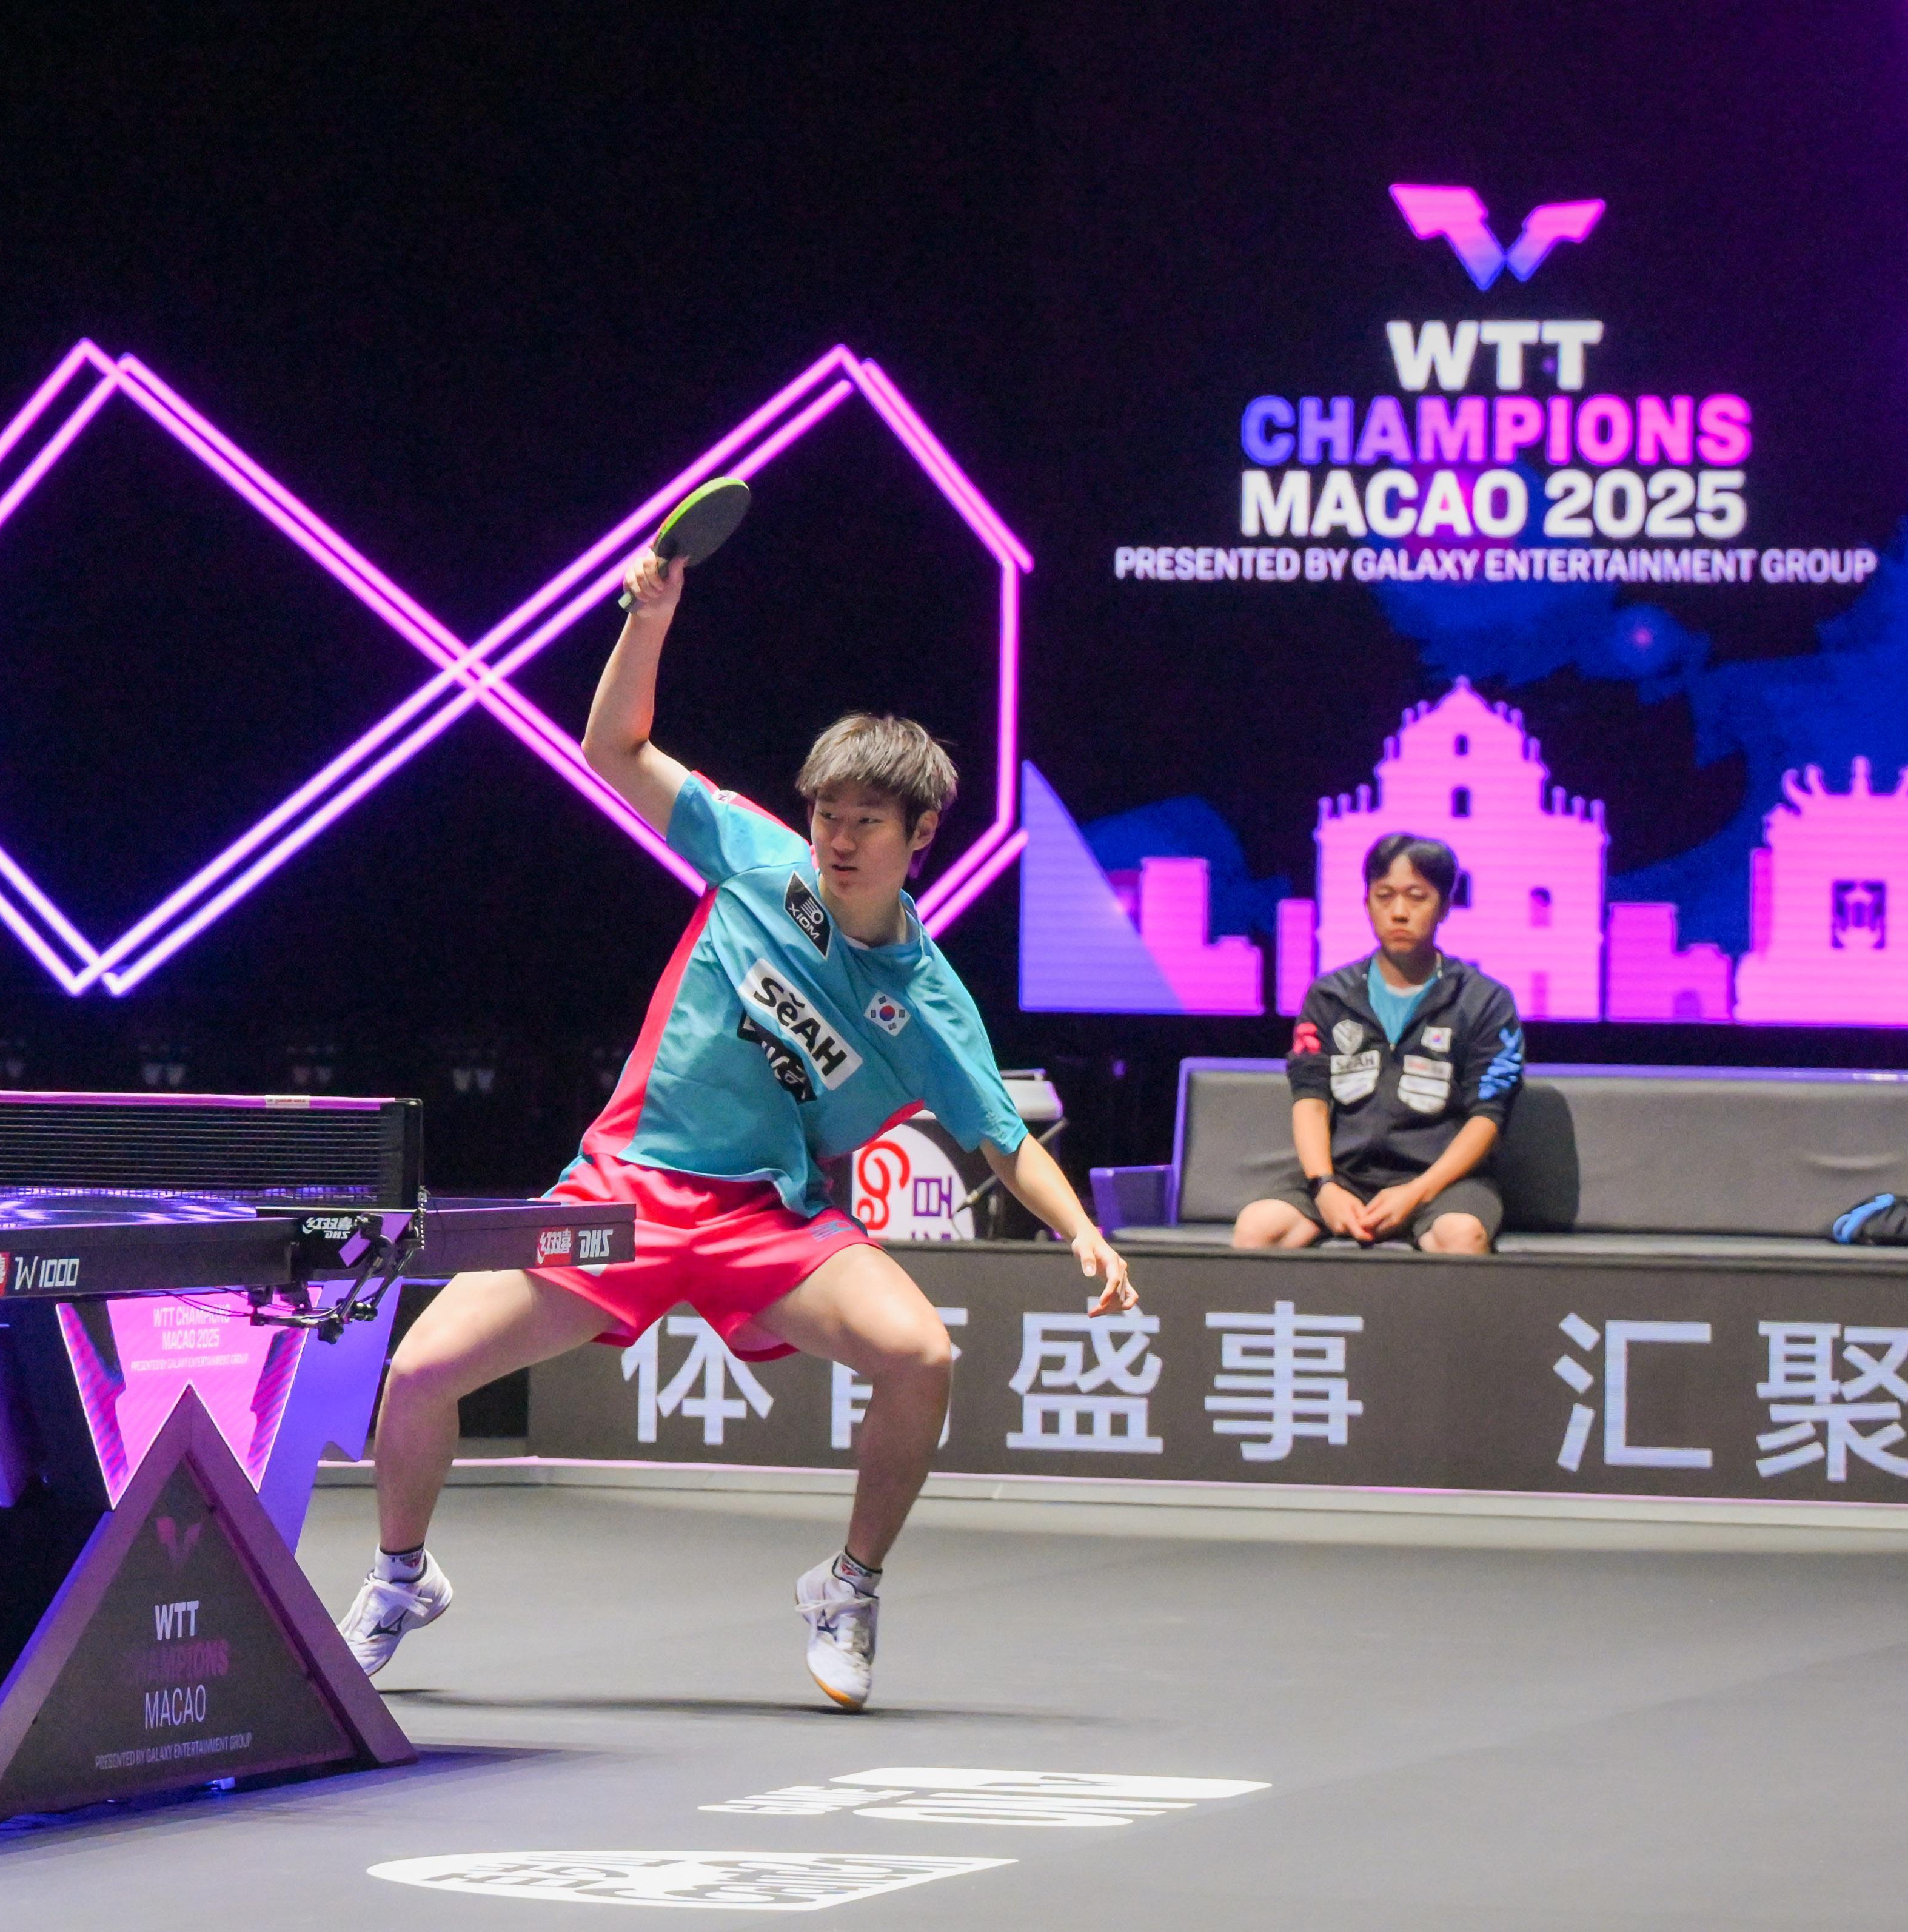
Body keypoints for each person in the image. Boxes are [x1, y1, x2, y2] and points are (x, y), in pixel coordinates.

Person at [334, 545, 1136, 1711]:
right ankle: (402, 1577)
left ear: (920, 837)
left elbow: (1000, 1136)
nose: (838, 840)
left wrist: (1082, 1232)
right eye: (826, 816)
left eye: (866, 822)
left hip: (766, 1221)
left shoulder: (925, 1001)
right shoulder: (759, 858)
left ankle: (848, 1585)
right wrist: (648, 619)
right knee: (418, 1370)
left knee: (919, 1355)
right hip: (624, 1193)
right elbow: (613, 749)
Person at [1232, 832, 1522, 1255]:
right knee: (1257, 1229)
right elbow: (1310, 1101)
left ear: (1444, 906)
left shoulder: (1484, 1001)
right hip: (1344, 1176)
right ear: (1367, 903)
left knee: (1460, 1235)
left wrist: (1419, 1191)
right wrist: (1324, 1185)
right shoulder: (1331, 996)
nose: (1399, 912)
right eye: (1384, 896)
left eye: (1417, 897)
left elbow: (1488, 1118)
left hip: (1444, 1182)